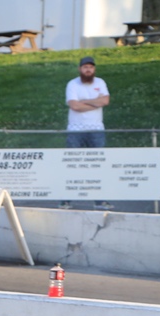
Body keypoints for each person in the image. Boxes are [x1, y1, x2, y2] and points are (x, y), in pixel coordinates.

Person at [63, 56, 113, 210]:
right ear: (80, 69)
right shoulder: (72, 84)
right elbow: (74, 106)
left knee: (97, 165)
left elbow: (105, 101)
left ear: (94, 69)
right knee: (72, 165)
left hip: (96, 129)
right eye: (85, 67)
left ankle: (100, 200)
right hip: (75, 130)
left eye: (91, 67)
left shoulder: (100, 82)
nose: (88, 70)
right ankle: (66, 200)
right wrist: (95, 103)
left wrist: (83, 101)